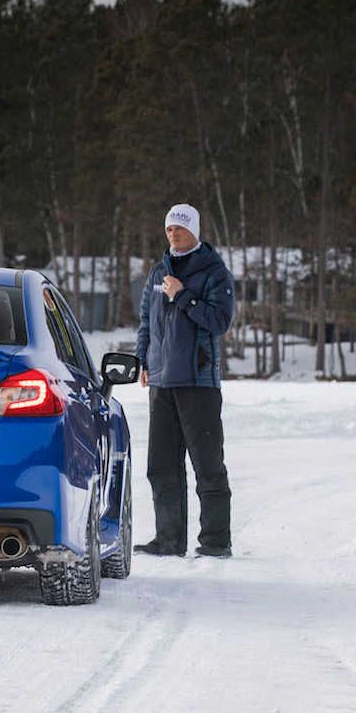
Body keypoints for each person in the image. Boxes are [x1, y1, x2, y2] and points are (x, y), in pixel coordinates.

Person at [134, 203, 235, 558]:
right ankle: (169, 540)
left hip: (198, 382)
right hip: (161, 382)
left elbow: (220, 321)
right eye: (168, 229)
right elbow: (146, 321)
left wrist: (183, 295)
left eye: (179, 228)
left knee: (207, 464)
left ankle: (216, 542)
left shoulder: (214, 273)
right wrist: (142, 359)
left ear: (194, 230)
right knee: (160, 466)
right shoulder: (157, 272)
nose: (172, 234)